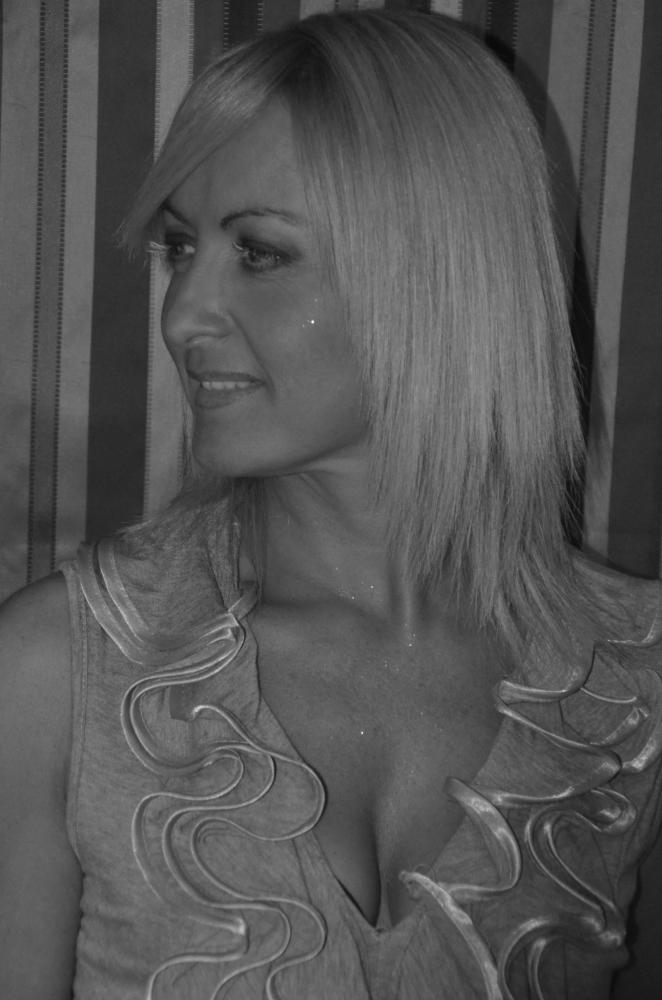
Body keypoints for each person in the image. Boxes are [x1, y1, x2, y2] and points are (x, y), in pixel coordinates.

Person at [1, 9, 660, 999]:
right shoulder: (60, 672)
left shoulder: (629, 681)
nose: (182, 315)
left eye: (260, 253)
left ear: (441, 278)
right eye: (180, 247)